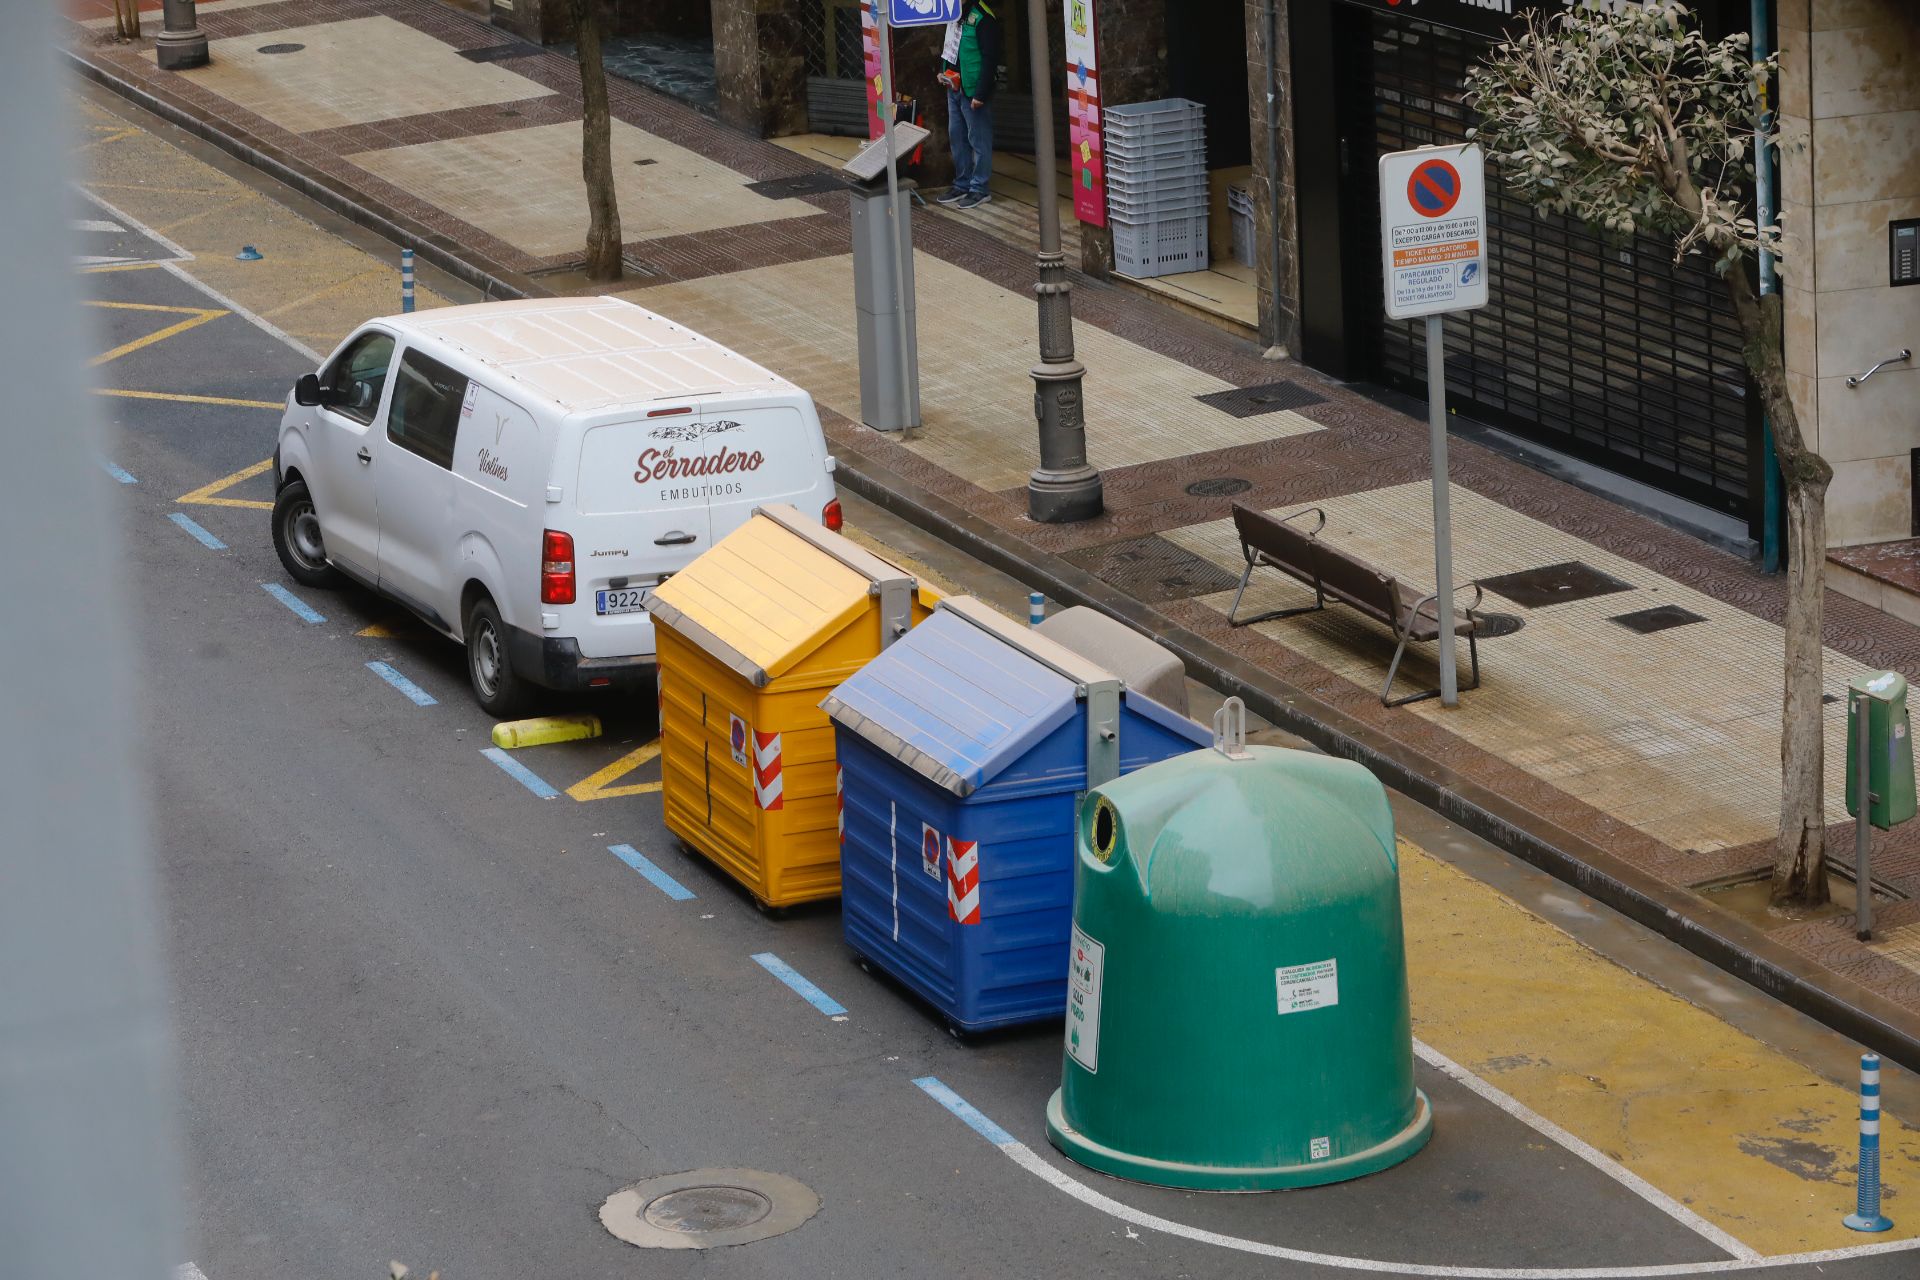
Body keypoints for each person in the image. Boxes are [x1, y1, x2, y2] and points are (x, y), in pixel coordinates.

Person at [936, 0, 1001, 210]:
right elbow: (950, 48)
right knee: (957, 137)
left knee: (978, 140)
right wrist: (943, 72)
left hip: (973, 90)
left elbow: (990, 59)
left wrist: (980, 94)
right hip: (953, 86)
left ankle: (979, 189)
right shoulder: (953, 13)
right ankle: (962, 183)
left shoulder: (983, 17)